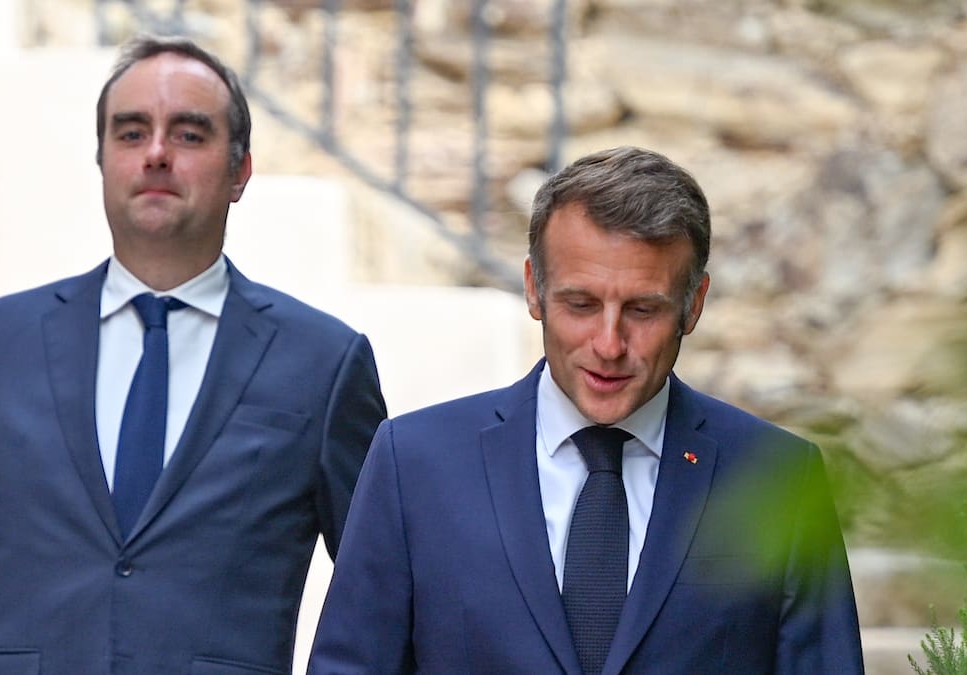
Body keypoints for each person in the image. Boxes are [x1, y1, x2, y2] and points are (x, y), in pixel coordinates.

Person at [0, 34, 387, 674]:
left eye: (190, 134)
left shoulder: (325, 363)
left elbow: (385, 586)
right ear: (102, 160)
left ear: (240, 173)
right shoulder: (1, 340)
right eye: (130, 132)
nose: (156, 154)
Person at [308, 146, 863, 674]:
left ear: (693, 306)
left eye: (643, 309)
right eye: (581, 304)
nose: (609, 343)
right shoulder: (416, 463)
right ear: (533, 289)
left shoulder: (779, 479)